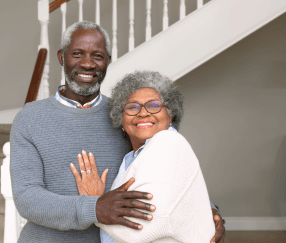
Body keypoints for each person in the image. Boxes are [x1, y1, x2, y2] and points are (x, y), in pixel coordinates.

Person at [10, 21, 225, 242]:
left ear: (107, 61)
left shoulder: (127, 116)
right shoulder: (30, 118)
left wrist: (207, 213)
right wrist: (94, 208)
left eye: (98, 56)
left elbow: (170, 170)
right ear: (61, 57)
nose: (87, 64)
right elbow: (27, 198)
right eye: (77, 54)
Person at [70, 71, 216, 242]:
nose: (143, 113)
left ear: (170, 115)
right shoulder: (131, 159)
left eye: (154, 105)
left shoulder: (168, 142)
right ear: (121, 119)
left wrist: (94, 203)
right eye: (132, 107)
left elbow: (140, 229)